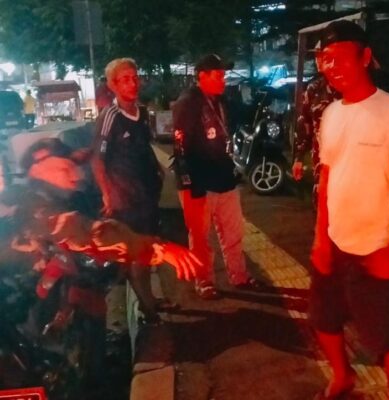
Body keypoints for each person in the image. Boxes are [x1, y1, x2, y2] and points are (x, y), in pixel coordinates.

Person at [308, 20, 389, 400]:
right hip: (336, 239)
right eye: (325, 59)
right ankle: (343, 376)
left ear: (366, 57)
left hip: (377, 245)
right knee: (323, 319)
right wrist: (320, 238)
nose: (332, 66)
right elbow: (327, 177)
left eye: (341, 57)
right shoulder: (331, 113)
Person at [2, 138, 199, 281]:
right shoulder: (36, 209)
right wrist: (159, 249)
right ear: (36, 168)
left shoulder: (39, 198)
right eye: (65, 168)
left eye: (75, 166)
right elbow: (94, 233)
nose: (75, 175)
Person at [172, 54, 256, 300]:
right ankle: (204, 281)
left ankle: (239, 276)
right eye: (218, 75)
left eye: (223, 75)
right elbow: (180, 146)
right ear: (202, 76)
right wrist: (188, 182)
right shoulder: (188, 103)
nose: (223, 80)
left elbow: (239, 118)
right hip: (198, 182)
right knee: (200, 238)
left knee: (233, 233)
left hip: (224, 177)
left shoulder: (222, 101)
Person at [91, 58, 169, 323]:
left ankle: (149, 299)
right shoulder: (110, 117)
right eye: (125, 79)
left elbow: (143, 147)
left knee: (147, 249)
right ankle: (148, 311)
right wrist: (107, 193)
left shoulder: (142, 113)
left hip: (147, 195)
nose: (132, 83)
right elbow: (97, 160)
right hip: (126, 200)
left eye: (135, 77)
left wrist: (158, 169)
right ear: (113, 85)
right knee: (136, 254)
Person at [292, 52, 340, 201]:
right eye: (317, 56)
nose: (318, 60)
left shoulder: (350, 88)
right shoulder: (314, 89)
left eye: (323, 56)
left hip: (350, 162)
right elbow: (305, 124)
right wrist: (299, 157)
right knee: (322, 201)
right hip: (322, 161)